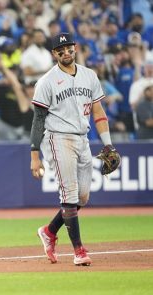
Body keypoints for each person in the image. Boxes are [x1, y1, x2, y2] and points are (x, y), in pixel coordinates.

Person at [30, 33, 118, 266]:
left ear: (75, 48)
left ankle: (49, 231)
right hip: (57, 137)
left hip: (82, 138)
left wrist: (108, 143)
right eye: (61, 50)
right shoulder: (46, 81)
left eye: (69, 48)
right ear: (54, 54)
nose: (66, 52)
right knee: (69, 193)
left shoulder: (89, 75)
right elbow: (38, 120)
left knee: (83, 196)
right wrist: (34, 155)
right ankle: (79, 251)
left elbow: (98, 112)